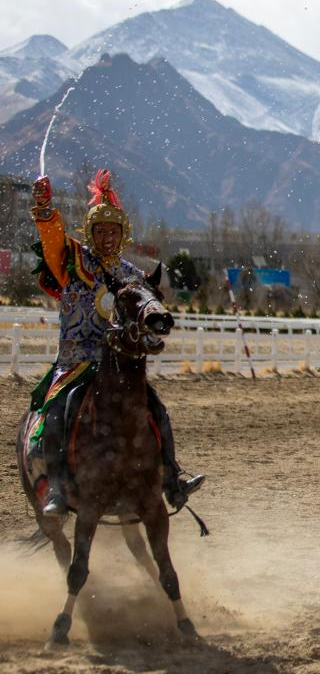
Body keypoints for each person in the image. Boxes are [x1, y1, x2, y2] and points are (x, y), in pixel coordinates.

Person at [29, 170, 204, 516]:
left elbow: (147, 314)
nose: (107, 236)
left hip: (119, 365)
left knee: (156, 409)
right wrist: (45, 207)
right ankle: (59, 489)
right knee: (56, 414)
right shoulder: (72, 261)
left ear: (123, 235)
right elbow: (51, 240)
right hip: (77, 361)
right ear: (90, 233)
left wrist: (151, 335)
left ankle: (171, 479)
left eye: (114, 231)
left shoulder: (132, 276)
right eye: (100, 230)